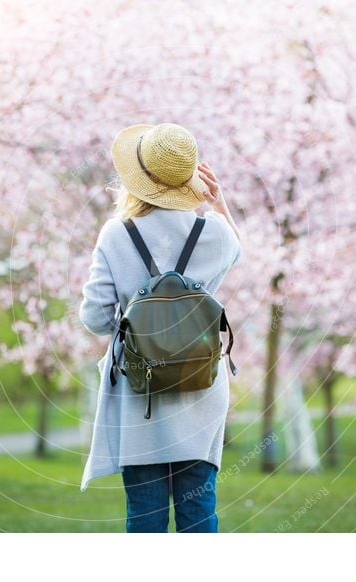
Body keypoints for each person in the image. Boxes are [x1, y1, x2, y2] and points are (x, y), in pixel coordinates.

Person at [78, 122, 242, 533]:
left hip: (140, 395)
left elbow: (95, 318)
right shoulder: (216, 234)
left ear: (138, 178)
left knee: (145, 516)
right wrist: (220, 206)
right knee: (198, 510)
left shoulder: (117, 234)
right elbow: (236, 250)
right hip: (201, 389)